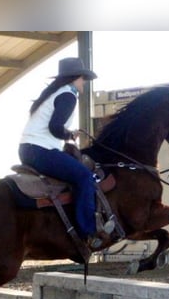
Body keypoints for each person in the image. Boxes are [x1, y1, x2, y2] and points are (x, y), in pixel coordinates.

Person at [19, 57, 105, 249]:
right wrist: (68, 133)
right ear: (76, 78)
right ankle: (88, 232)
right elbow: (55, 127)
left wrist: (66, 133)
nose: (84, 83)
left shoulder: (54, 93)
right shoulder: (68, 95)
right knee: (84, 176)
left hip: (30, 149)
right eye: (83, 78)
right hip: (40, 150)